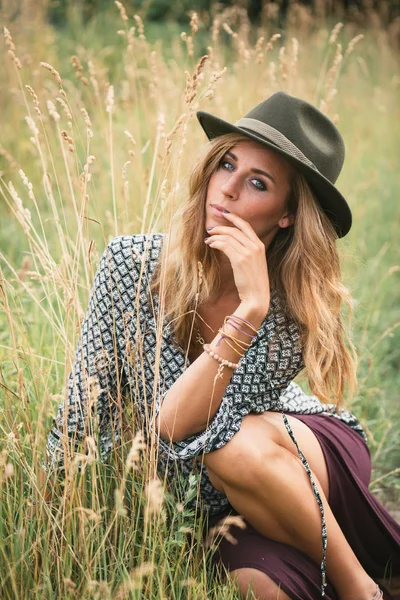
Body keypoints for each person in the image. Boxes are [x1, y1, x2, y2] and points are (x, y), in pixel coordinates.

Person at [44, 92, 400, 600]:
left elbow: (187, 429)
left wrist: (250, 309)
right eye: (226, 164)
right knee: (258, 587)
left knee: (236, 449)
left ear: (287, 215)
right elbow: (81, 412)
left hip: (295, 451)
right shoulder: (130, 266)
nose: (227, 189)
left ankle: (358, 586)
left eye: (257, 182)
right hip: (217, 500)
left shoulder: (287, 308)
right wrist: (56, 510)